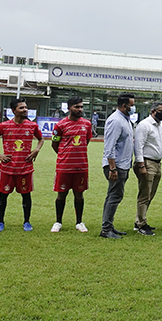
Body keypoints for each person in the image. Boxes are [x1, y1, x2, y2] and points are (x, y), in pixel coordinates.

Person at [0, 98, 43, 232]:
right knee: (3, 195)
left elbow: (40, 139)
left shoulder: (32, 126)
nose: (25, 110)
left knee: (26, 195)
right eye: (21, 108)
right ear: (13, 111)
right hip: (8, 168)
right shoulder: (4, 126)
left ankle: (27, 222)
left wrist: (36, 150)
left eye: (26, 107)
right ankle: (0, 222)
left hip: (25, 168)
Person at [51, 96, 92, 232]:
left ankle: (79, 222)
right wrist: (65, 155)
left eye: (81, 107)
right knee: (61, 193)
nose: (80, 109)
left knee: (79, 194)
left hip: (81, 166)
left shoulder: (87, 124)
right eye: (77, 107)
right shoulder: (60, 125)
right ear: (69, 108)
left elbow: (86, 141)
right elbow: (55, 144)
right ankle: (58, 222)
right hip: (64, 166)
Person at [99, 93, 135, 239]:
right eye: (131, 105)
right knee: (114, 196)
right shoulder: (116, 121)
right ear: (123, 105)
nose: (133, 108)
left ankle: (109, 225)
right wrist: (112, 168)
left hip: (122, 165)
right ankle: (106, 229)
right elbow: (109, 146)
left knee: (113, 195)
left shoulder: (125, 120)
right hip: (116, 165)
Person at [133, 101, 162, 236]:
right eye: (160, 111)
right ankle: (141, 224)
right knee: (144, 194)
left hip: (157, 163)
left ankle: (139, 219)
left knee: (150, 194)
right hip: (147, 162)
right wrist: (141, 165)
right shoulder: (144, 125)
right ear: (152, 111)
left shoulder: (161, 126)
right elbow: (138, 146)